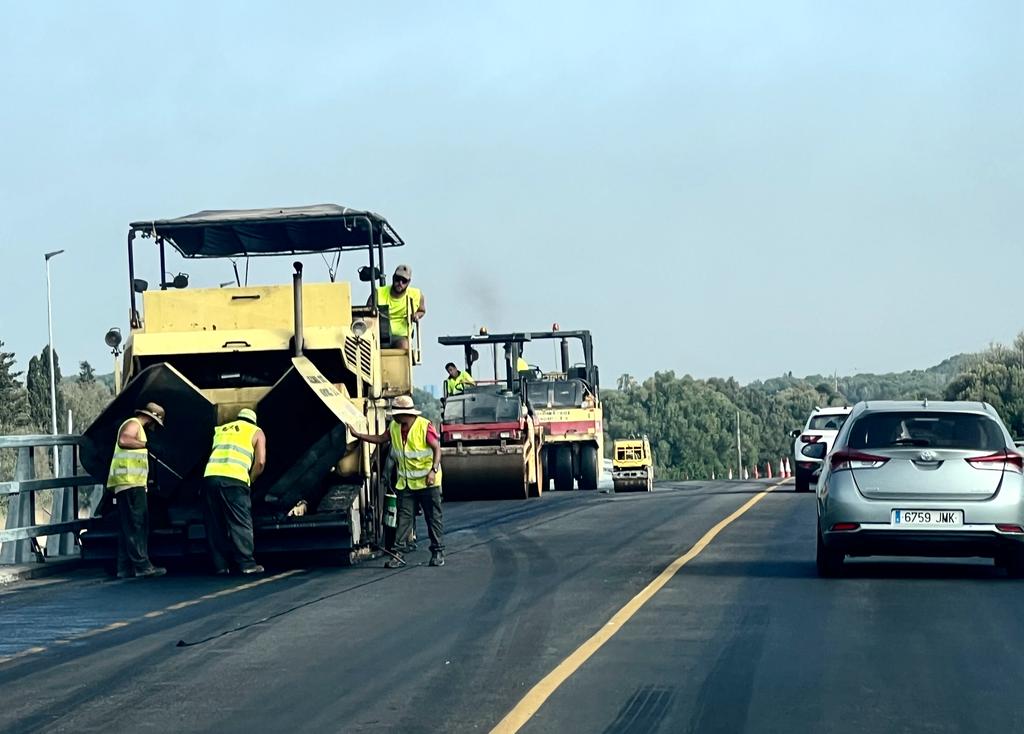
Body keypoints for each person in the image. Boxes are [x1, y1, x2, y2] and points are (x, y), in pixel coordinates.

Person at [350, 394, 445, 567]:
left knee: (433, 518)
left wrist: (433, 470)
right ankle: (398, 554)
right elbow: (380, 439)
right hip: (407, 484)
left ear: (405, 414)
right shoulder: (394, 427)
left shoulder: (424, 426)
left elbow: (437, 449)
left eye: (396, 413)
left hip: (428, 483)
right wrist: (358, 435)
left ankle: (437, 552)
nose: (393, 416)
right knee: (404, 519)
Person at [106, 402, 167, 579]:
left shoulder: (136, 426)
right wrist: (146, 445)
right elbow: (124, 440)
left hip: (127, 483)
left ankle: (124, 568)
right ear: (151, 417)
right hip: (130, 483)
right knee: (138, 525)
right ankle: (143, 566)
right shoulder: (134, 424)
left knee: (128, 527)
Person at [202, 408, 267, 575]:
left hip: (210, 477)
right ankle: (247, 564)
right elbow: (260, 462)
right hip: (235, 479)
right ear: (254, 421)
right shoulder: (256, 431)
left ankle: (221, 566)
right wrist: (250, 480)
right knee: (240, 521)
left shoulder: (221, 429)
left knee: (215, 524)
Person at [372, 264, 425, 350]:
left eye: (404, 281)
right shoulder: (378, 293)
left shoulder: (417, 295)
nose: (400, 283)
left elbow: (422, 310)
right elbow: (367, 313)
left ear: (409, 282)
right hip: (380, 336)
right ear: (393, 277)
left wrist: (416, 315)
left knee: (404, 345)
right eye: (397, 279)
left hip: (401, 336)